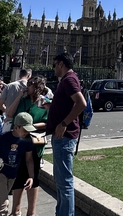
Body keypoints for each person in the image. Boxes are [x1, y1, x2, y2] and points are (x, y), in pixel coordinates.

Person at [46, 53, 86, 216]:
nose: (53, 68)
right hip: (62, 136)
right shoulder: (68, 80)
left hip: (65, 135)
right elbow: (67, 104)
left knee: (65, 182)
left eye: (54, 64)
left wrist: (63, 124)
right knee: (61, 181)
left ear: (61, 64)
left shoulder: (69, 79)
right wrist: (51, 106)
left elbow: (81, 103)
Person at [7, 76, 49, 216]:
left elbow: (48, 123)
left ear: (36, 87)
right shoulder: (23, 100)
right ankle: (16, 210)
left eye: (30, 84)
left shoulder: (44, 103)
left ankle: (31, 212)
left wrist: (29, 127)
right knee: (18, 176)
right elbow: (9, 114)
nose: (27, 86)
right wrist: (19, 96)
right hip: (19, 142)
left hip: (35, 143)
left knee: (33, 177)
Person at [0, 112, 35, 216]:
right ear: (16, 127)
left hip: (12, 175)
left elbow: (29, 160)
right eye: (25, 129)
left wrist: (31, 177)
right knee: (3, 206)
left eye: (29, 130)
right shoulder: (4, 137)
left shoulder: (28, 141)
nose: (27, 132)